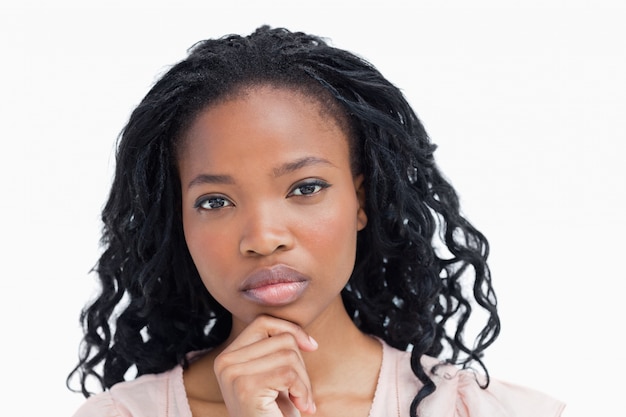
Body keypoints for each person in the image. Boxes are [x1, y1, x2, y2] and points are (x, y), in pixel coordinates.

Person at [68, 26, 565, 417]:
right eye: (215, 201)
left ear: (361, 201)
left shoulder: (478, 411)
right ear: (179, 223)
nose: (263, 239)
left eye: (305, 188)